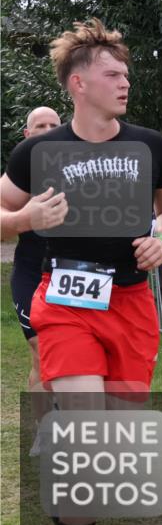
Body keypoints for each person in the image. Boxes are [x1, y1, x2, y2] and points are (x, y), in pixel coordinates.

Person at [0, 19, 162, 525]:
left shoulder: (149, 146)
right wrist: (25, 218)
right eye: (112, 74)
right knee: (87, 432)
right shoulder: (36, 153)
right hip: (65, 301)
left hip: (130, 304)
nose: (125, 83)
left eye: (126, 74)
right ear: (79, 84)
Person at [9, 107, 62, 451]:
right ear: (27, 135)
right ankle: (45, 428)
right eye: (38, 126)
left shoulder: (79, 168)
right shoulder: (18, 175)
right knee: (40, 351)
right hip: (30, 273)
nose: (45, 130)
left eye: (53, 125)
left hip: (71, 276)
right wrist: (25, 216)